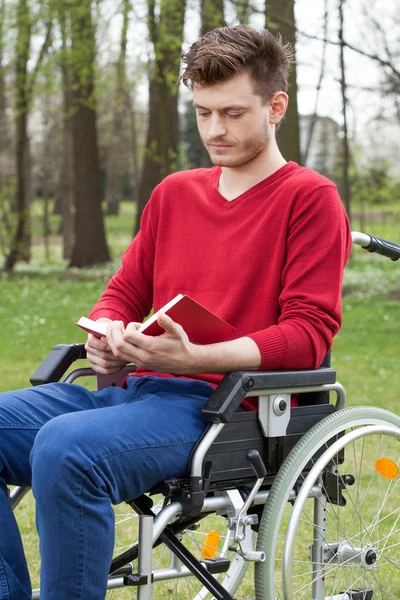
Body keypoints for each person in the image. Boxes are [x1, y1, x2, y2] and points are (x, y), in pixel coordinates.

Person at [0, 24, 351, 600]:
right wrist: (105, 331)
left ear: (276, 106)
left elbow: (308, 334)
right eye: (203, 112)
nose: (215, 129)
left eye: (233, 113)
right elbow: (123, 292)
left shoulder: (309, 198)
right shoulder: (173, 194)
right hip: (132, 392)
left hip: (222, 411)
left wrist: (196, 357)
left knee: (66, 446)